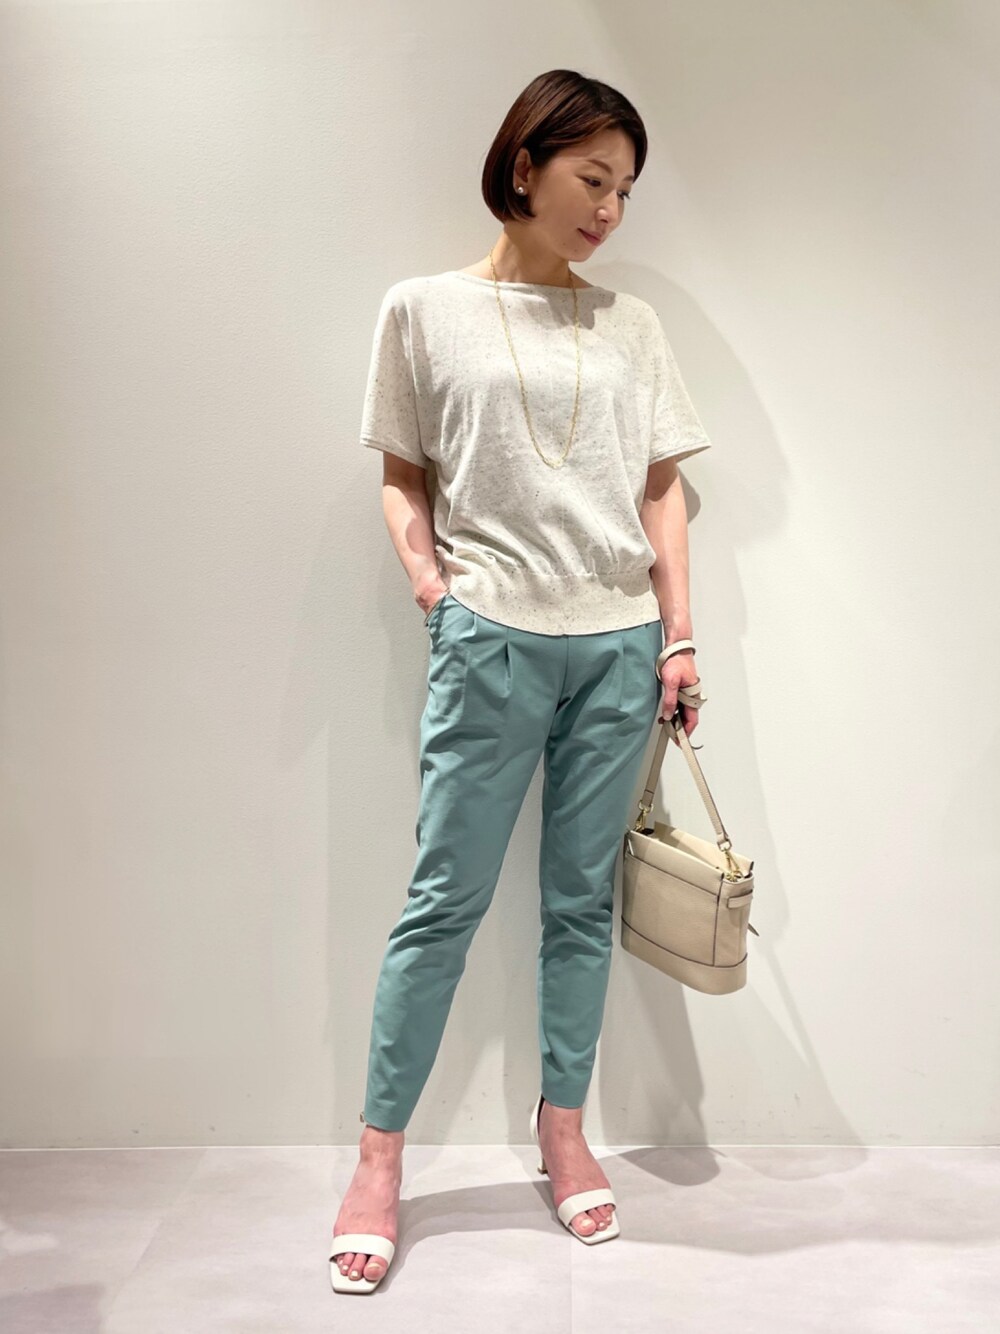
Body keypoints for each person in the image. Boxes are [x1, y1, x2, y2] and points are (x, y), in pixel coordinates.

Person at [330, 67, 712, 1294]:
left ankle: (563, 1127)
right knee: (442, 899)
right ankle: (378, 1159)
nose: (608, 209)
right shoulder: (423, 309)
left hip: (616, 646)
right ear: (523, 166)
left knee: (577, 906)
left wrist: (678, 637)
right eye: (592, 178)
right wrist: (433, 589)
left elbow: (663, 486)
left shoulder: (630, 325)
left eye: (625, 190)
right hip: (489, 636)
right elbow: (403, 472)